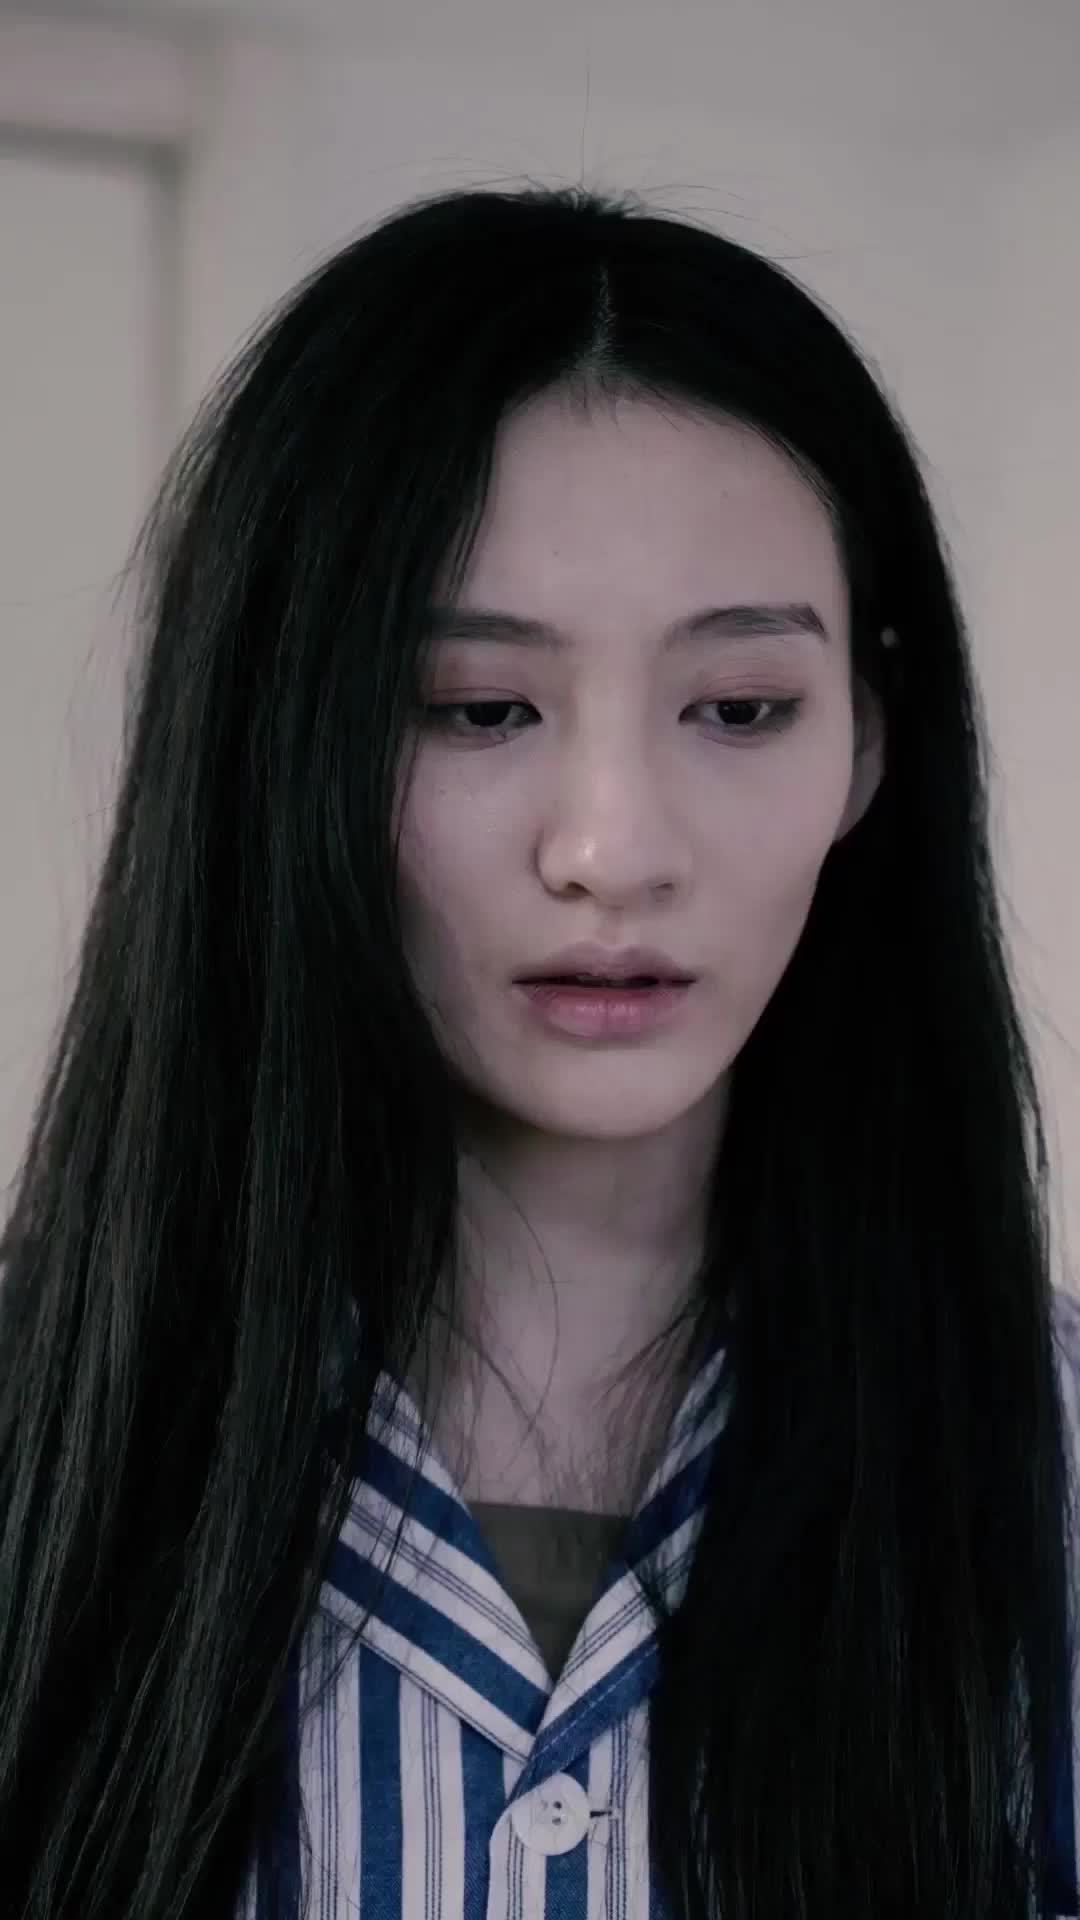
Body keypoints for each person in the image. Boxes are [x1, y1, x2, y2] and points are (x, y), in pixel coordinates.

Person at [0, 180, 1077, 1920]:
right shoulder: (40, 1461)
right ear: (284, 742)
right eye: (478, 709)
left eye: (741, 709)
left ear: (871, 745)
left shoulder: (1052, 1476)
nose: (613, 848)